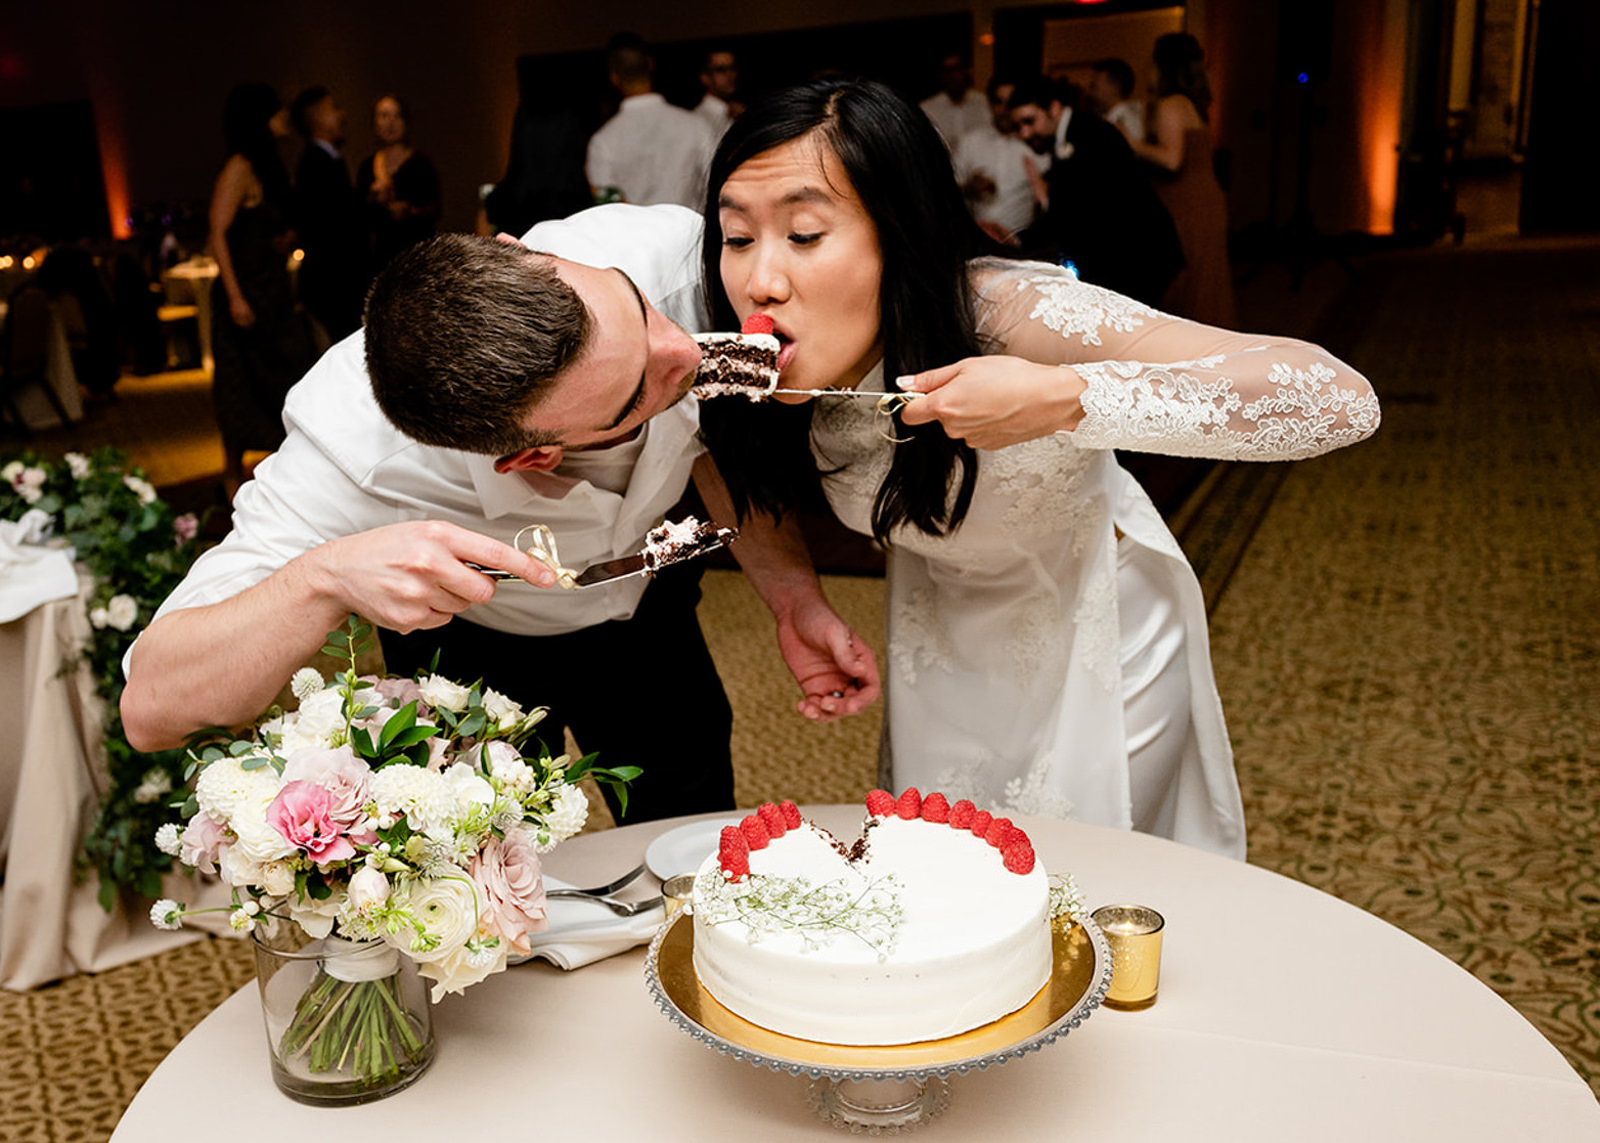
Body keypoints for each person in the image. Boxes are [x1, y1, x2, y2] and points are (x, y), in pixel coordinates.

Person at [696, 79, 1380, 858]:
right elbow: (709, 450)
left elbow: (1338, 397)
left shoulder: (1010, 313)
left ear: (901, 232)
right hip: (940, 641)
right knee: (946, 875)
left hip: (1101, 629)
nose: (760, 281)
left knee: (1081, 879)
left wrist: (1067, 397)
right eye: (738, 238)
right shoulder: (752, 353)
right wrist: (794, 599)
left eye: (805, 234)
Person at [120, 202, 878, 825]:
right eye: (639, 393)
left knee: (691, 824)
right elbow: (152, 707)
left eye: (639, 309)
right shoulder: (345, 445)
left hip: (651, 609)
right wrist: (322, 579)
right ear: (530, 456)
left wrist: (792, 598)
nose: (682, 349)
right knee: (492, 886)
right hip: (471, 656)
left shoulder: (676, 256)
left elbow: (713, 443)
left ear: (520, 250)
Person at [206, 83, 316, 490]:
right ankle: (231, 477)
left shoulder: (270, 165)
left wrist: (287, 238)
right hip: (246, 293)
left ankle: (288, 473)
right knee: (239, 387)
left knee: (284, 379)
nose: (284, 115)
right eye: (276, 110)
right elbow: (217, 232)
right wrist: (235, 297)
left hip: (273, 293)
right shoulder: (240, 166)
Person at [1008, 75, 1184, 309]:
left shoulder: (1091, 134)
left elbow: (1078, 211)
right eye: (1018, 126)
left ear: (1055, 108)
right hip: (1120, 254)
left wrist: (1019, 240)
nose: (1025, 133)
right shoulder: (1070, 133)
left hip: (1140, 254)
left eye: (1029, 121)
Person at [1128, 33, 1237, 327]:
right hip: (1199, 199)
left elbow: (1172, 159)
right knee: (1201, 281)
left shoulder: (1171, 104)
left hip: (1186, 203)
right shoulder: (1189, 103)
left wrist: (1129, 142)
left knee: (1186, 282)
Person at [585, 34, 717, 209]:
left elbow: (608, 205)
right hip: (694, 225)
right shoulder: (697, 126)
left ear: (614, 78)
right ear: (651, 64)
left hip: (635, 227)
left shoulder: (603, 141)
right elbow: (716, 185)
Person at [291, 85, 365, 343]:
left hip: (337, 282)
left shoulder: (326, 160)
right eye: (333, 109)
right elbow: (335, 223)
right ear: (318, 119)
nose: (342, 115)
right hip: (335, 283)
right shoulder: (316, 165)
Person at [951, 76, 1045, 245]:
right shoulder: (970, 142)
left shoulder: (1036, 146)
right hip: (974, 241)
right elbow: (948, 192)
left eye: (1010, 103)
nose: (1004, 110)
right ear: (989, 104)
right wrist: (969, 187)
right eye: (998, 102)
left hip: (1020, 244)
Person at [356, 94, 441, 279]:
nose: (391, 123)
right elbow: (357, 217)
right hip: (380, 260)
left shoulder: (421, 164)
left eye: (397, 116)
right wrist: (374, 199)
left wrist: (409, 211)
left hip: (416, 255)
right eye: (384, 116)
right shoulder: (367, 167)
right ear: (374, 123)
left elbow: (435, 208)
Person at [919, 51, 990, 149]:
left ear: (966, 71)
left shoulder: (983, 103)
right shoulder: (928, 109)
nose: (951, 76)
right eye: (946, 70)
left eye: (956, 69)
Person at [1088, 58, 1145, 145]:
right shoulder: (1109, 118)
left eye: (1095, 87)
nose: (1091, 93)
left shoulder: (1126, 123)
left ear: (1115, 88)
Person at [694, 48, 743, 137]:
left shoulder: (737, 112)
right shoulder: (700, 119)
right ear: (705, 77)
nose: (730, 75)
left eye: (732, 68)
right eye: (721, 70)